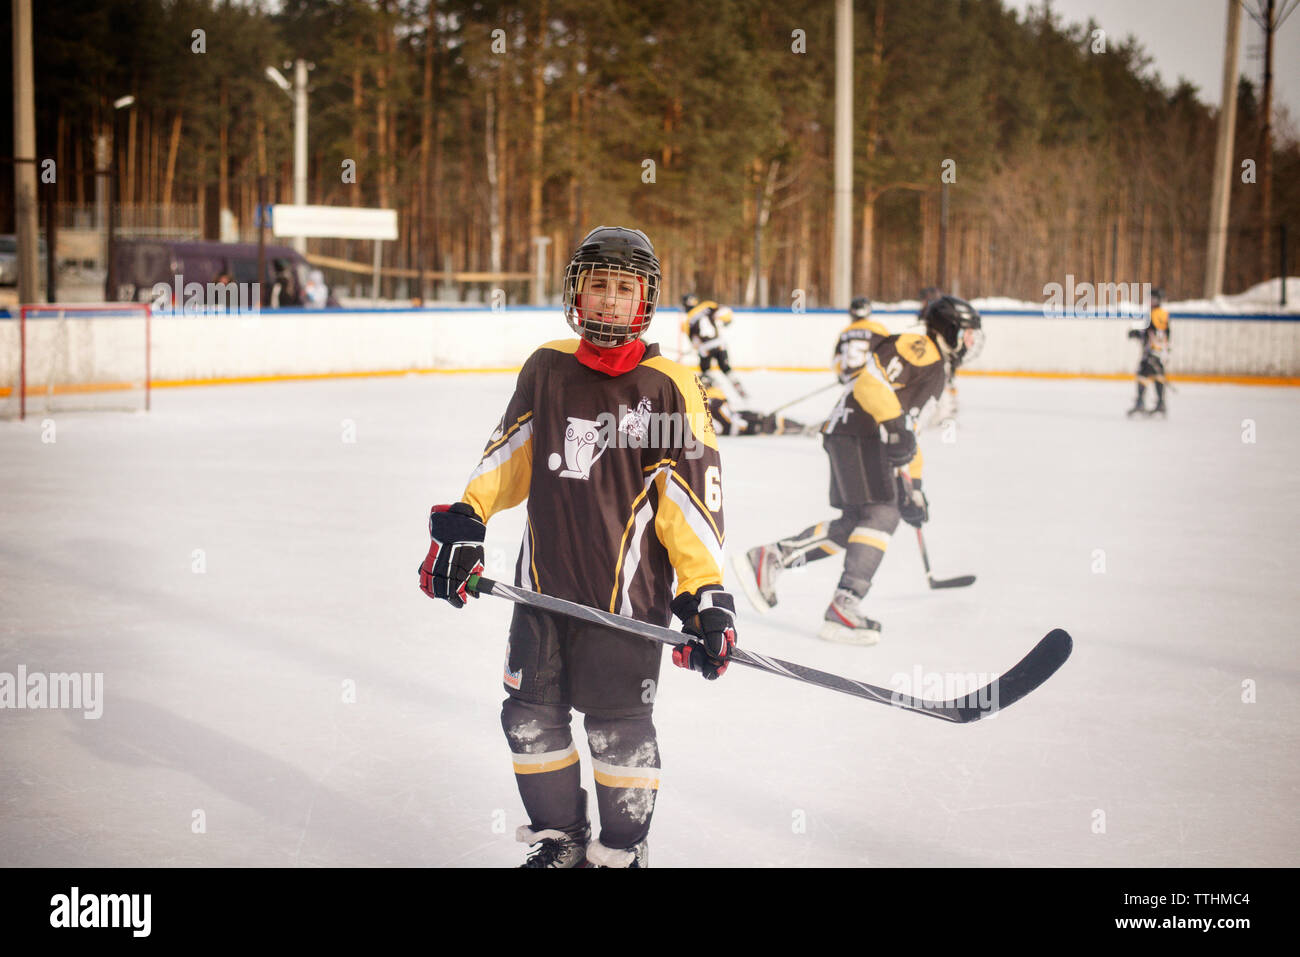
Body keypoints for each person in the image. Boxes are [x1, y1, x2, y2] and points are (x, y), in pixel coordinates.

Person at [418, 226, 736, 868]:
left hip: (627, 605)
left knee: (618, 731)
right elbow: (509, 455)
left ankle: (621, 854)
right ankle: (560, 838)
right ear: (577, 292)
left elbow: (691, 500)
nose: (611, 301)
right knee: (528, 718)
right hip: (539, 592)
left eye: (625, 289)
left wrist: (704, 591)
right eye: (600, 286)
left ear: (644, 300)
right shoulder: (547, 368)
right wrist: (466, 521)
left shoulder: (670, 385)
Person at [733, 296, 983, 644]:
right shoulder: (920, 346)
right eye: (969, 334)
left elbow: (909, 434)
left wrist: (916, 487)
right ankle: (843, 603)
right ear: (951, 329)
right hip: (860, 433)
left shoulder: (936, 367)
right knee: (883, 514)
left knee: (859, 523)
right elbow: (870, 385)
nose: (972, 342)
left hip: (856, 434)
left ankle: (774, 558)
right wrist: (895, 428)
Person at [700, 372, 812, 436]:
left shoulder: (708, 402)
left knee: (763, 419)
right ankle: (801, 428)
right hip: (739, 427)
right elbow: (729, 420)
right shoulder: (715, 401)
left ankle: (798, 427)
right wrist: (748, 426)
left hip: (735, 424)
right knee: (767, 421)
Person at [682, 293, 747, 398]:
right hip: (719, 344)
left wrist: (698, 348)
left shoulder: (687, 321)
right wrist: (727, 321)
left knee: (706, 373)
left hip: (705, 348)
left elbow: (695, 342)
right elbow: (726, 313)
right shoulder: (707, 305)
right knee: (726, 368)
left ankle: (716, 394)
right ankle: (740, 390)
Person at [1127, 288, 1171, 417]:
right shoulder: (1162, 314)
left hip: (1153, 351)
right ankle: (1160, 404)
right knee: (1157, 375)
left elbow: (1152, 331)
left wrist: (1137, 333)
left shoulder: (1155, 314)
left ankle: (1141, 403)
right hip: (1160, 351)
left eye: (1153, 298)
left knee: (1142, 374)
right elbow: (1162, 332)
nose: (1151, 301)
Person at [832, 297, 891, 384]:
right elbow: (889, 354)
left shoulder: (845, 333)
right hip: (873, 381)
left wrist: (842, 375)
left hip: (850, 381)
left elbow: (837, 360)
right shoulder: (879, 330)